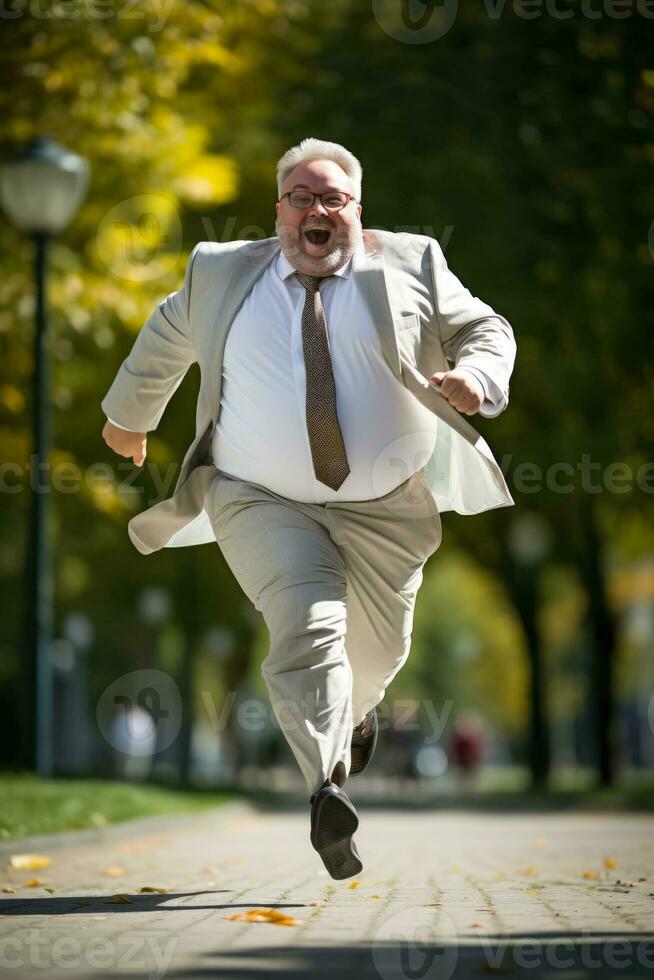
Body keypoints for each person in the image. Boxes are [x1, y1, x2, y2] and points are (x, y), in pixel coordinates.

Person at [101, 138, 516, 879]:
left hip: (388, 508)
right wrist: (130, 416)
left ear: (359, 211)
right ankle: (326, 785)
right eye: (302, 197)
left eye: (334, 199)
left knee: (378, 654)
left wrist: (478, 378)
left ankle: (351, 720)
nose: (317, 211)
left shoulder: (413, 263)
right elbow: (168, 333)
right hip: (258, 496)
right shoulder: (221, 271)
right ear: (279, 210)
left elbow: (488, 329)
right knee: (308, 619)